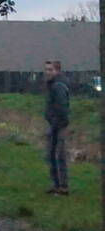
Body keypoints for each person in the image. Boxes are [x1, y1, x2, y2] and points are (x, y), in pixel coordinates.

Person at [44, 59, 70, 195]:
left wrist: (56, 123)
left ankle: (62, 186)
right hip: (54, 123)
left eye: (50, 70)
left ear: (57, 70)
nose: (47, 72)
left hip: (58, 125)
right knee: (51, 154)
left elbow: (62, 107)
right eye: (46, 69)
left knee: (59, 155)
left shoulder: (58, 85)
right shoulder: (53, 84)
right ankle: (56, 184)